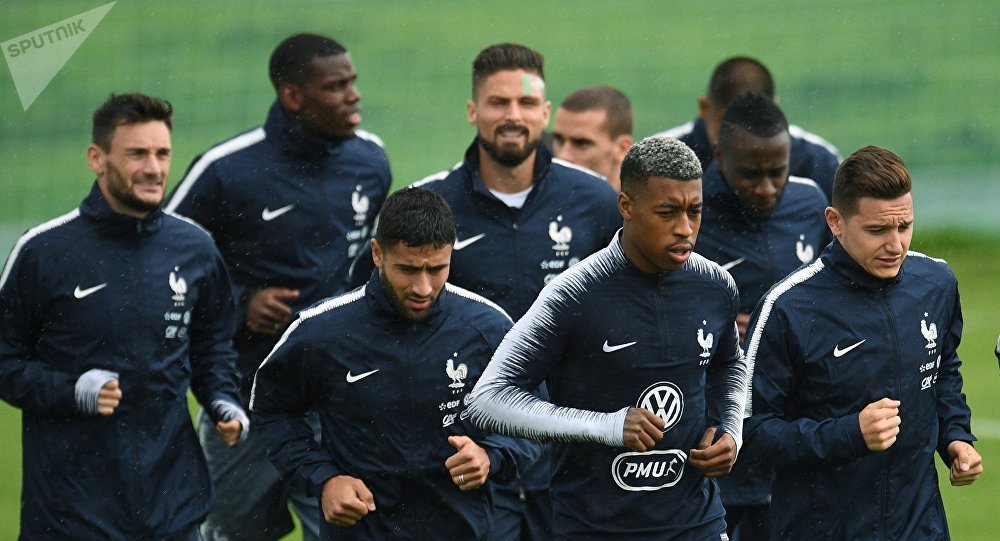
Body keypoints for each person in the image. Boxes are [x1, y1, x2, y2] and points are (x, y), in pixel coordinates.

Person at [165, 33, 391, 541]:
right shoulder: (224, 170)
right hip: (250, 399)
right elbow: (162, 262)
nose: (353, 94)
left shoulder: (371, 162)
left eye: (352, 82)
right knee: (237, 533)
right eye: (336, 86)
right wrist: (241, 301)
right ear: (293, 96)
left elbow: (366, 267)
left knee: (349, 530)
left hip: (340, 397)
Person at [470, 135, 750, 540]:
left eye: (695, 211)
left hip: (697, 525)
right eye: (667, 212)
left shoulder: (716, 285)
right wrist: (607, 427)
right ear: (627, 207)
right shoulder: (574, 293)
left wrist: (730, 430)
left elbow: (729, 363)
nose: (685, 229)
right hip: (594, 528)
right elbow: (489, 400)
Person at [0, 93, 247, 539]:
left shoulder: (195, 249)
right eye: (137, 154)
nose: (154, 168)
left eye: (162, 153)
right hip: (70, 514)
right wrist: (71, 391)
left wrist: (223, 399)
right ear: (97, 158)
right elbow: (4, 361)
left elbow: (212, 346)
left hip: (173, 507)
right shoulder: (43, 253)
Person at [411, 43, 622, 541]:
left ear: (545, 112)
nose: (513, 116)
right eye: (498, 102)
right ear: (472, 111)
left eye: (527, 104)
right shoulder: (431, 204)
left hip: (578, 457)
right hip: (470, 457)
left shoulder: (594, 201)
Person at [251, 187, 540, 540]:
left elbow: (532, 414)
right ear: (377, 253)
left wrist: (491, 455)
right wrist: (324, 479)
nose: (422, 287)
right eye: (407, 269)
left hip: (461, 530)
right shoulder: (320, 332)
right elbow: (273, 410)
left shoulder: (488, 328)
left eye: (437, 269)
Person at [744, 146, 983, 539]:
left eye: (904, 226)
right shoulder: (788, 308)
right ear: (835, 222)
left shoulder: (935, 284)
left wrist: (955, 436)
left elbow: (941, 373)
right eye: (877, 231)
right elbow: (750, 434)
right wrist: (849, 435)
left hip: (919, 526)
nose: (896, 245)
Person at [694, 91, 830, 539]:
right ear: (718, 155)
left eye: (778, 172)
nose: (767, 187)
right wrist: (715, 327)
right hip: (714, 424)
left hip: (797, 422)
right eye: (752, 175)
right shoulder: (689, 213)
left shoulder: (810, 203)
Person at [654, 56, 841, 199]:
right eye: (727, 126)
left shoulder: (819, 161)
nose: (744, 141)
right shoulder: (661, 156)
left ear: (774, 109)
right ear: (704, 108)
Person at [551, 85, 634, 192]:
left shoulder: (649, 205)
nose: (563, 156)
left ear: (623, 148)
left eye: (581, 144)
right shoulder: (536, 202)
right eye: (559, 140)